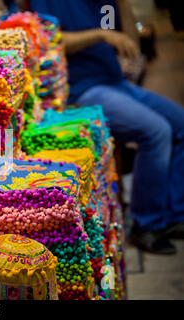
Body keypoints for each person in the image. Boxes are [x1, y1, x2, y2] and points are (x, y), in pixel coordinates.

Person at [26, 0, 184, 254]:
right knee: (156, 132)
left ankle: (175, 213)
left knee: (180, 123)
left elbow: (127, 39)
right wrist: (101, 34)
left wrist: (122, 6)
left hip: (115, 81)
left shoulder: (104, 4)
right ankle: (147, 224)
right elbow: (48, 40)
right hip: (81, 88)